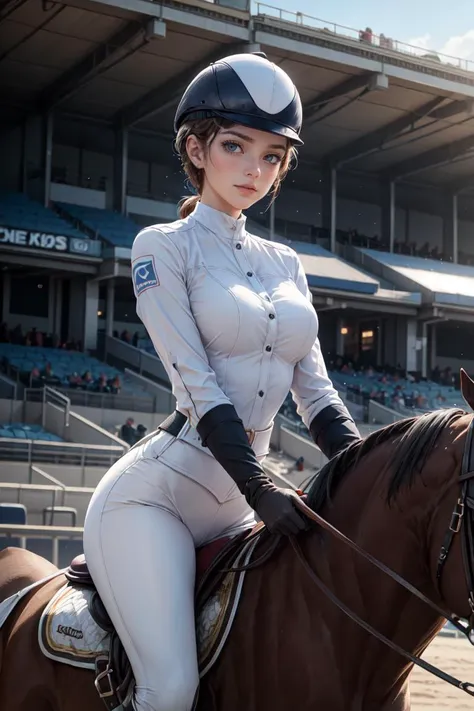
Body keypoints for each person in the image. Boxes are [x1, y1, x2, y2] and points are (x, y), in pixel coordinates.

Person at [83, 52, 361, 711]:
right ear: (195, 148)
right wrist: (261, 484)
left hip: (238, 509)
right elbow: (198, 387)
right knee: (172, 688)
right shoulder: (162, 245)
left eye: (272, 155)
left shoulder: (288, 263)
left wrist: (367, 474)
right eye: (235, 146)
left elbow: (317, 395)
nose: (254, 169)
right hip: (154, 504)